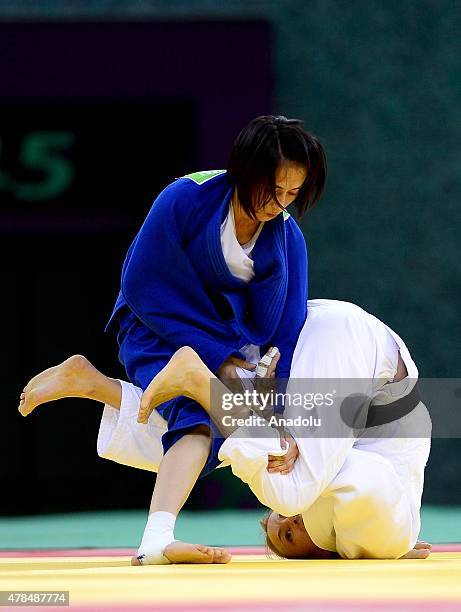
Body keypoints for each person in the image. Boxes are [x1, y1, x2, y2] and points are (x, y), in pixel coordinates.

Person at [19, 115, 327, 564]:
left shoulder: (287, 240)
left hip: (227, 350)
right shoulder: (187, 197)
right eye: (272, 189)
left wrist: (282, 416)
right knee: (196, 417)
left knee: (235, 438)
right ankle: (156, 541)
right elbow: (142, 284)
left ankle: (92, 383)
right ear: (244, 170)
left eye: (292, 194)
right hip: (156, 327)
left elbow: (286, 336)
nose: (278, 204)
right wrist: (216, 358)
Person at [19, 300, 432, 562]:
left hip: (314, 346)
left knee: (202, 446)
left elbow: (359, 496)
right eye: (291, 532)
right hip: (345, 349)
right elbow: (371, 502)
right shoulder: (379, 522)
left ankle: (97, 384)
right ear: (322, 553)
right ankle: (201, 382)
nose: (290, 520)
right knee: (294, 488)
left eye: (281, 529)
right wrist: (394, 546)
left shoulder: (357, 511)